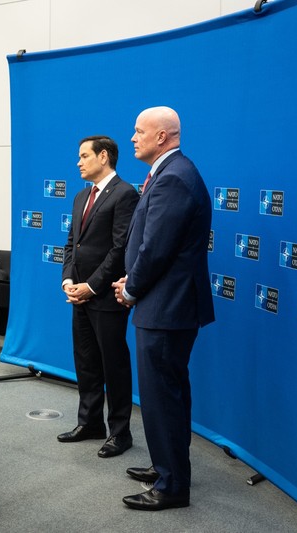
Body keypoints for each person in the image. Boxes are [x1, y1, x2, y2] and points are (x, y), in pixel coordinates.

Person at [112, 106, 214, 511]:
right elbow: (149, 242)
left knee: (162, 396)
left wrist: (131, 289)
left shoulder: (174, 178)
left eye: (140, 132)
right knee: (165, 394)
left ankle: (172, 488)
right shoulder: (171, 172)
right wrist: (132, 282)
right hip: (165, 303)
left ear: (162, 137)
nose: (132, 138)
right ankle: (167, 467)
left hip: (166, 307)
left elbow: (156, 249)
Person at [59, 136, 139, 459]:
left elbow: (120, 250)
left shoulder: (125, 194)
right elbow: (70, 244)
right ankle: (90, 422)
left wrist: (91, 286)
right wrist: (68, 280)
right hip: (78, 295)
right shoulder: (80, 197)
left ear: (103, 156)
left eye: (84, 156)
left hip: (105, 297)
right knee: (86, 362)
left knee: (113, 364)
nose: (78, 162)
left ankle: (120, 432)